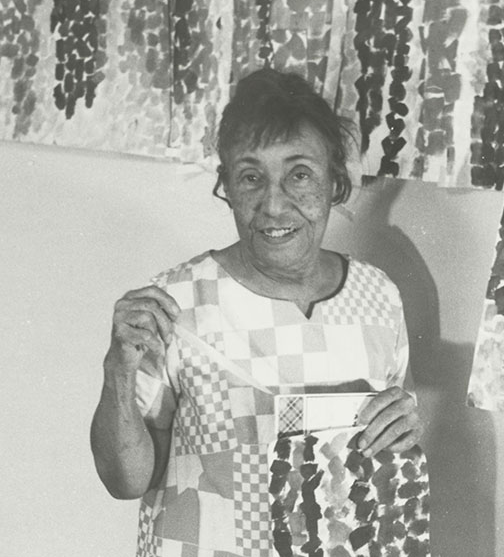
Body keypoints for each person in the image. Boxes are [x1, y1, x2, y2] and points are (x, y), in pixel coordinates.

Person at [90, 67, 423, 554]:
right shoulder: (177, 302)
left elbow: (394, 427)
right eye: (251, 177)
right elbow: (126, 481)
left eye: (299, 174)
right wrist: (117, 373)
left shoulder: (378, 295)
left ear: (334, 180)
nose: (274, 204)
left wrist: (407, 422)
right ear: (226, 185)